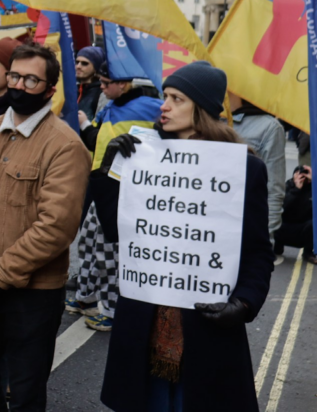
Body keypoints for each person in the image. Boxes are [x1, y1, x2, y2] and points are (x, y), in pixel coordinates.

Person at [100, 61, 274, 412]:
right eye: (165, 96)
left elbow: (257, 252)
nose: (164, 106)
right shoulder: (143, 157)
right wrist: (110, 170)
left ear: (203, 108)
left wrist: (243, 304)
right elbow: (113, 229)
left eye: (176, 99)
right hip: (143, 321)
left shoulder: (243, 169)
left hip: (205, 326)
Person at [0, 42, 90, 412]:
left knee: (24, 393)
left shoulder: (65, 145)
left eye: (31, 80)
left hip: (32, 295)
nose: (19, 85)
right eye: (15, 76)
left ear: (50, 90)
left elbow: (56, 228)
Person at [73, 65, 162, 332]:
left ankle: (112, 311)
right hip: (100, 182)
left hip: (126, 191)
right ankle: (85, 296)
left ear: (123, 83)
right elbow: (95, 141)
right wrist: (85, 125)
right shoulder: (109, 106)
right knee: (88, 243)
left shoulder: (152, 107)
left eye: (106, 82)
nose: (101, 87)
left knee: (109, 252)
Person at [230, 92, 287, 263]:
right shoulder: (207, 118)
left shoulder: (269, 127)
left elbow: (274, 190)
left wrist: (264, 240)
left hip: (245, 234)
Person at [274, 165, 317, 264]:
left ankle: (308, 253)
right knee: (272, 218)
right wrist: (296, 189)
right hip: (284, 226)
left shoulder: (315, 189)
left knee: (314, 223)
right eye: (301, 174)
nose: (304, 177)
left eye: (306, 174)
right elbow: (281, 207)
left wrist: (314, 181)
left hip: (303, 227)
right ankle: (277, 246)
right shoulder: (287, 186)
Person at [75, 46, 105, 121]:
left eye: (84, 63)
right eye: (77, 62)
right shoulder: (72, 89)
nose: (78, 66)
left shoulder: (102, 92)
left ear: (96, 67)